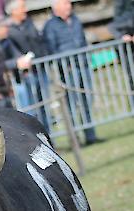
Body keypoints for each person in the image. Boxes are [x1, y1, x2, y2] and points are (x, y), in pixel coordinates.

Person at [44, 0, 103, 145]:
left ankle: (90, 135)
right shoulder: (50, 26)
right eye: (65, 3)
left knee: (86, 101)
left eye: (69, 3)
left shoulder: (75, 19)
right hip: (68, 69)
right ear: (56, 7)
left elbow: (82, 40)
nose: (69, 6)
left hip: (82, 64)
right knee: (71, 104)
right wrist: (64, 64)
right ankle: (75, 138)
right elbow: (51, 49)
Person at [3, 0, 50, 130]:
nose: (25, 10)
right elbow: (7, 56)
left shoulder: (29, 23)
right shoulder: (8, 31)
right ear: (13, 11)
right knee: (29, 110)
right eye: (22, 7)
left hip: (38, 70)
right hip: (22, 76)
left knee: (44, 107)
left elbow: (39, 43)